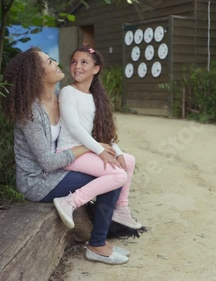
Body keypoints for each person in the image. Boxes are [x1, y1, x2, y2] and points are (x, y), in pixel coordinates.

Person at [3, 47, 129, 265]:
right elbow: (47, 162)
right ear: (37, 74)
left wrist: (108, 148)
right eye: (49, 62)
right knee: (112, 178)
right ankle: (97, 244)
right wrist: (90, 148)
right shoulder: (30, 113)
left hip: (61, 168)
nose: (56, 63)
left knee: (113, 172)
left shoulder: (60, 99)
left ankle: (99, 241)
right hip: (38, 182)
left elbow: (81, 133)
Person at [52, 45, 142, 231]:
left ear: (96, 69)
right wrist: (101, 152)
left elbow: (102, 132)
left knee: (128, 161)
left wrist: (116, 152)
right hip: (70, 152)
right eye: (74, 62)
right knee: (118, 175)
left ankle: (121, 208)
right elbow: (76, 129)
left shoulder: (96, 97)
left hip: (87, 151)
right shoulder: (68, 92)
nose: (77, 66)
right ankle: (70, 202)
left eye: (84, 62)